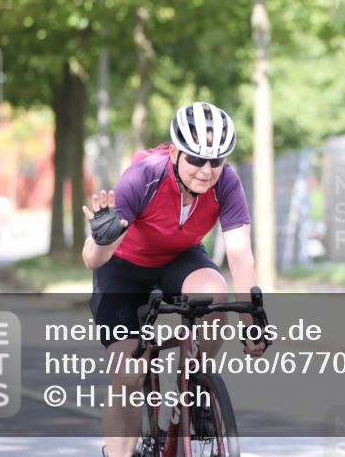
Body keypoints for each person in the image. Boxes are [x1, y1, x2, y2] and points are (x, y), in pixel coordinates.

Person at [82, 101, 264, 457]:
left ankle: (194, 387)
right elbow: (92, 259)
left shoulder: (227, 183)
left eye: (216, 161)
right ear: (176, 152)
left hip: (179, 259)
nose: (207, 170)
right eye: (196, 159)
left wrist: (252, 322)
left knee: (215, 295)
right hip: (123, 268)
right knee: (130, 374)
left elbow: (241, 255)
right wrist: (101, 240)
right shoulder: (143, 176)